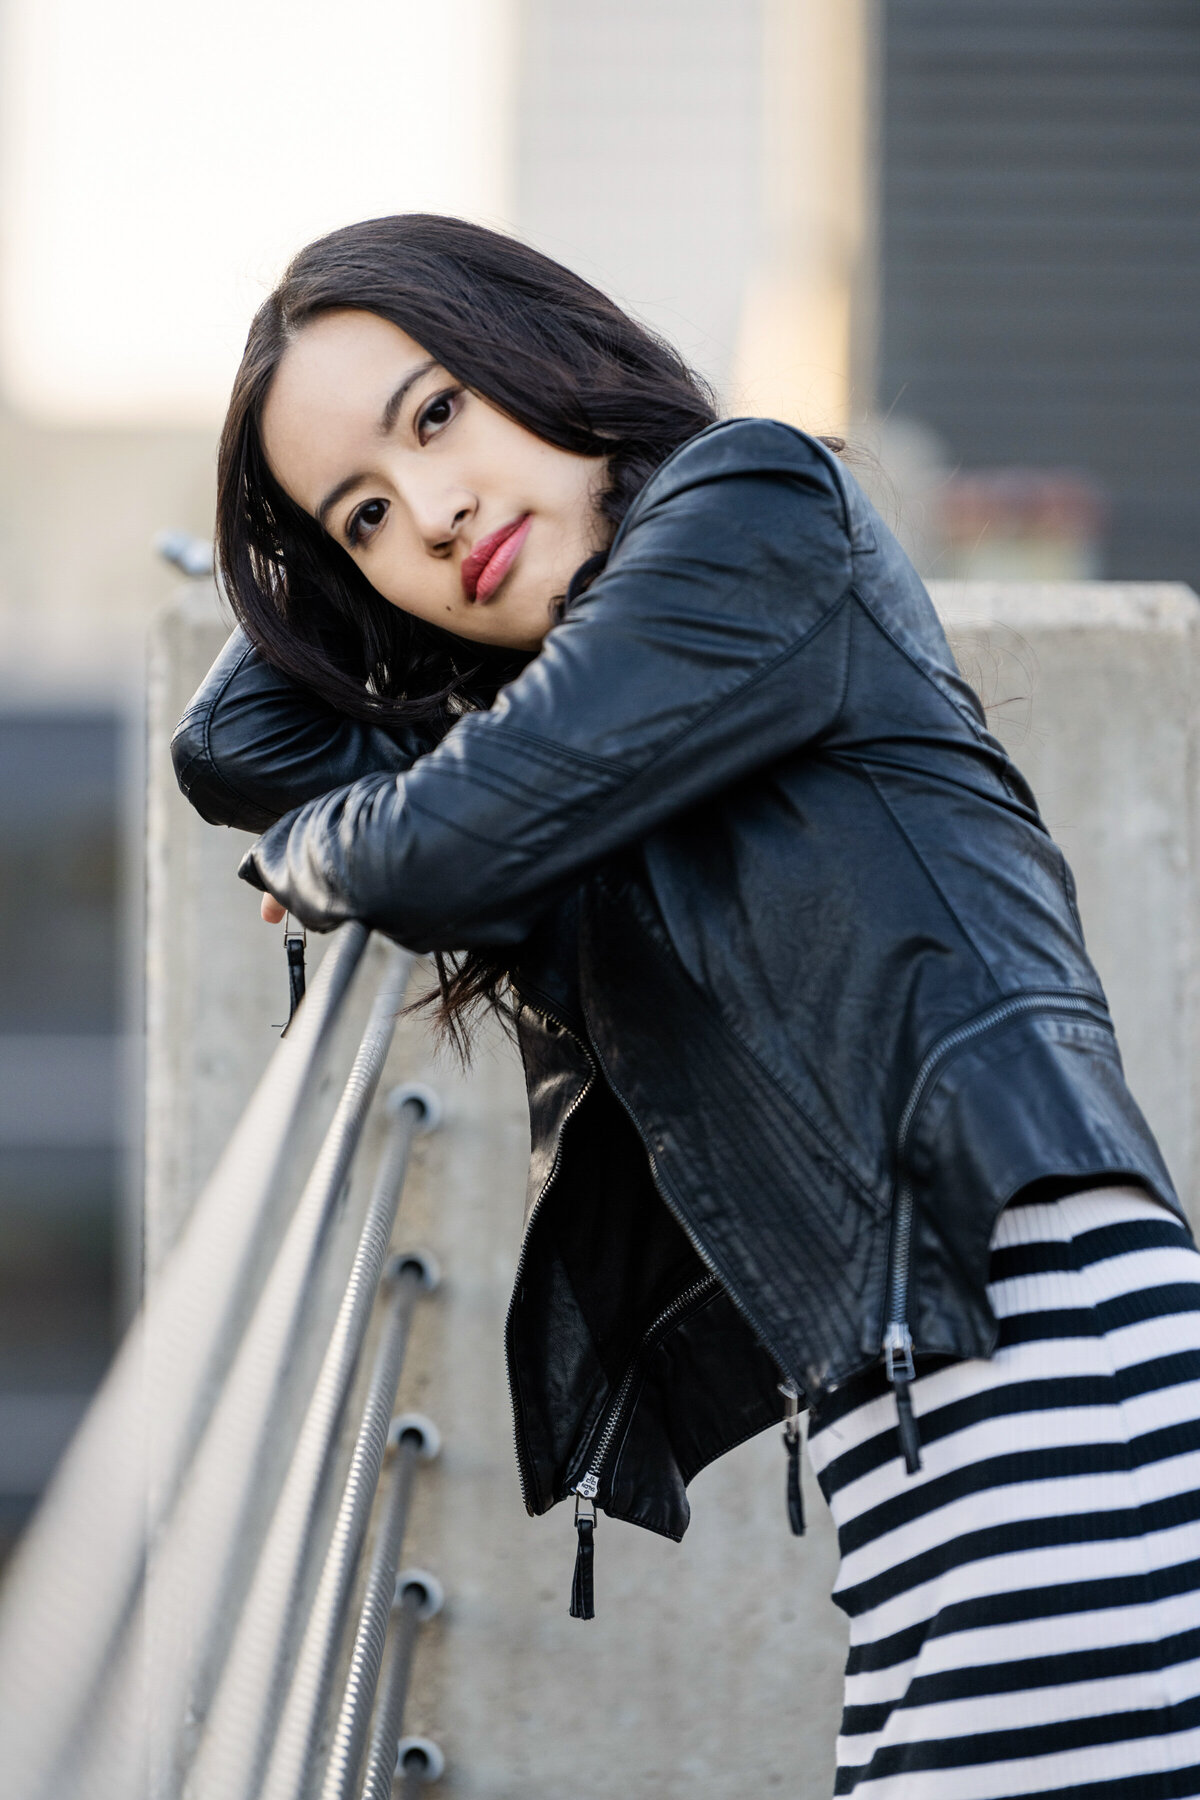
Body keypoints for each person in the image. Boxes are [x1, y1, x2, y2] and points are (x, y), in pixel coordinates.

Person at [173, 214, 1200, 1797]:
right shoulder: (577, 717)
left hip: (1059, 1397)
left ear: (551, 351)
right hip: (929, 1460)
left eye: (440, 410)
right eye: (364, 516)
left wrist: (325, 853)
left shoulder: (757, 506)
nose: (436, 514)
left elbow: (430, 847)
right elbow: (232, 742)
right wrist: (338, 600)